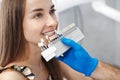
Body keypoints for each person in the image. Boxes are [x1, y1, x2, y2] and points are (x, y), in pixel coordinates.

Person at [0, 0, 119, 80]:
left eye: (52, 11)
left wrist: (93, 66)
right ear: (15, 24)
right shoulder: (10, 77)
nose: (53, 22)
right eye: (38, 15)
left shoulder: (53, 61)